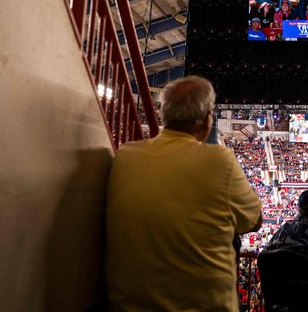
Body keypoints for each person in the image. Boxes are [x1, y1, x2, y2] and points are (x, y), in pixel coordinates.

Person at [106, 76, 263, 312]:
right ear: (206, 119)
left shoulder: (125, 156)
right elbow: (254, 220)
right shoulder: (219, 160)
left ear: (163, 115)